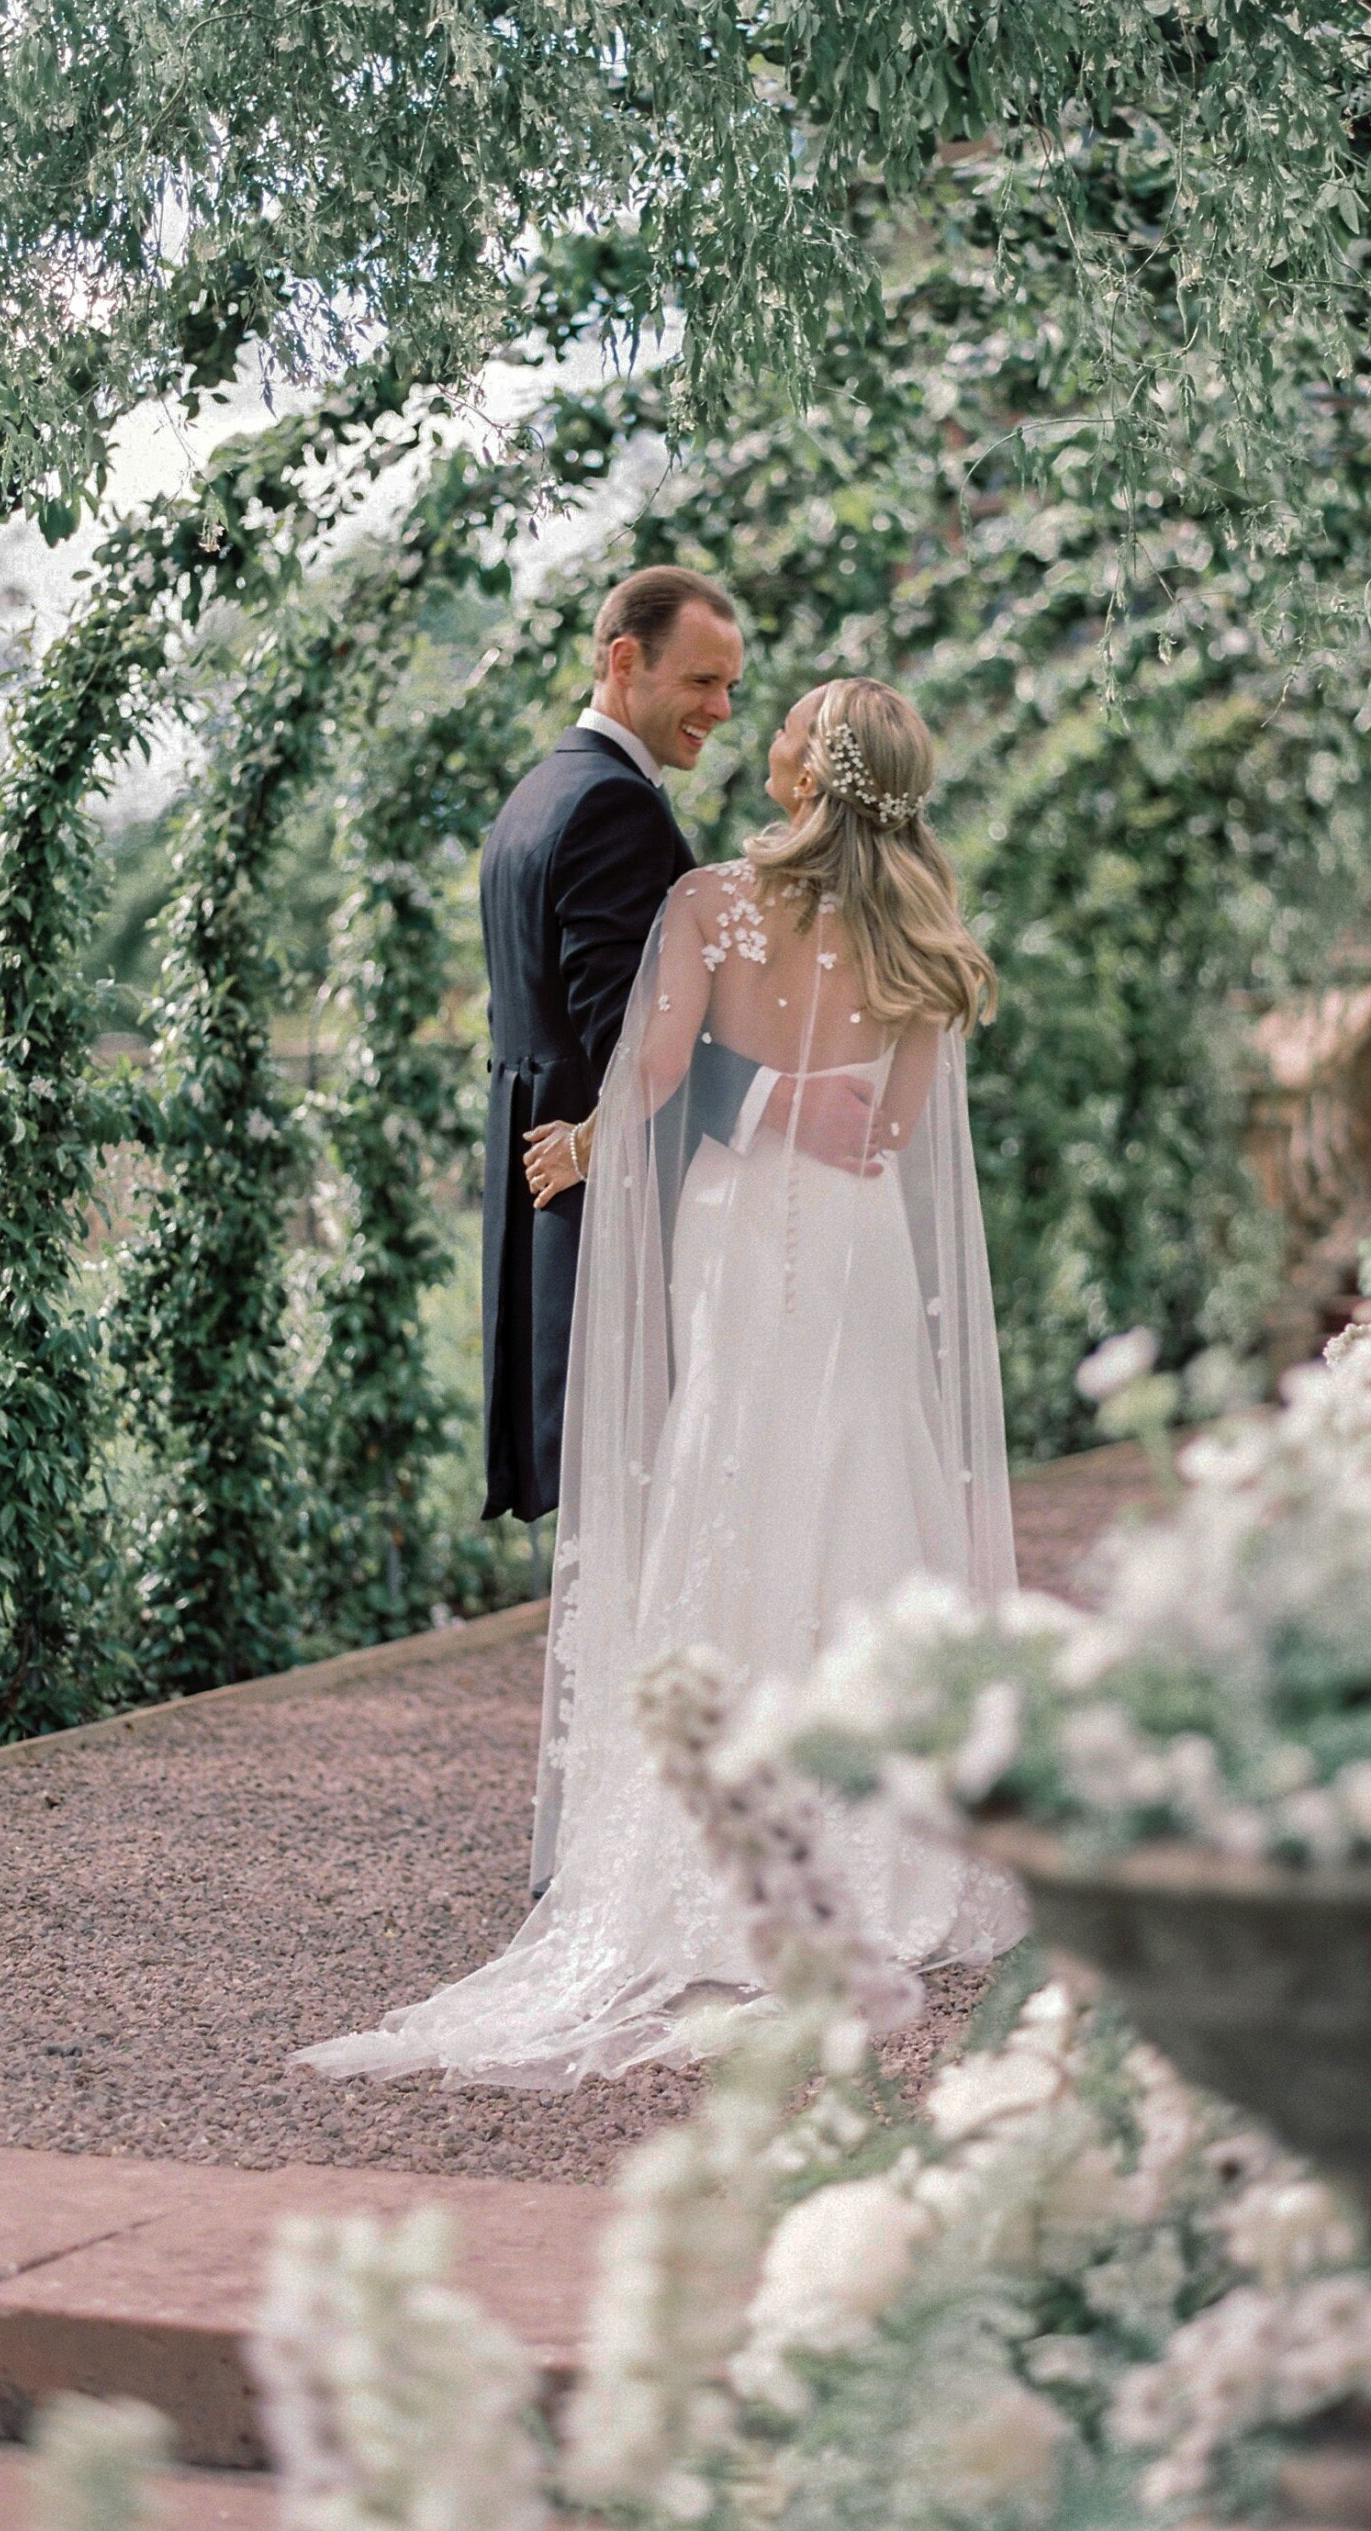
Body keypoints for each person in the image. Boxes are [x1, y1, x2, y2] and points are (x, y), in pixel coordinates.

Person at [304, 677, 1021, 2090]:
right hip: (857, 1245)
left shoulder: (708, 904)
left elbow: (648, 1074)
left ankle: (718, 1824)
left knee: (733, 1472)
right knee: (866, 1472)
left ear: (802, 770)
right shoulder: (925, 938)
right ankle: (880, 1816)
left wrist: (575, 1142)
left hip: (741, 1235)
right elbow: (891, 1130)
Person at [473, 564, 881, 1528]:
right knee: (650, 1511)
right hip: (607, 1209)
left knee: (623, 1526)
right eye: (702, 681)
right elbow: (626, 1037)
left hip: (553, 1209)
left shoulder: (541, 791)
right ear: (626, 660)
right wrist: (784, 1101)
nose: (723, 708)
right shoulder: (614, 805)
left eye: (733, 685)